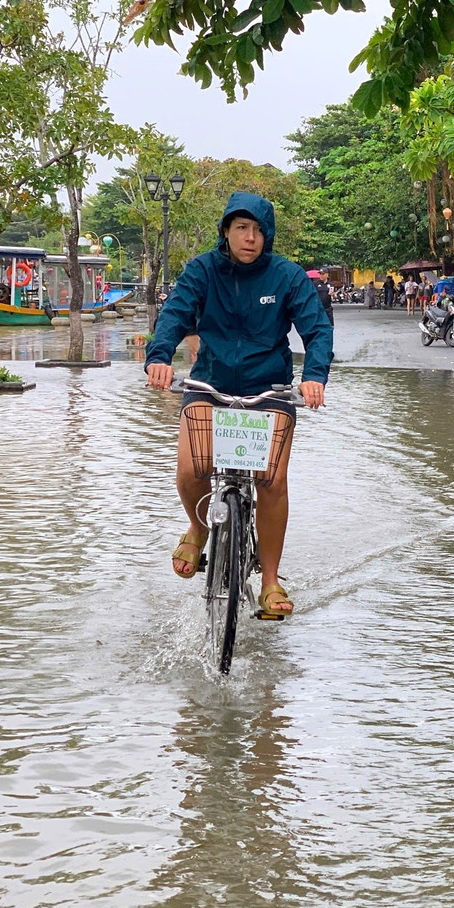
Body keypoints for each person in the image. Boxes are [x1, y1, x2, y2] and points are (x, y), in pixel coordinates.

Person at [144, 191, 333, 618]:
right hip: (209, 385)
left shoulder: (287, 277)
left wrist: (314, 376)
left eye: (258, 230)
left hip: (269, 390)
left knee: (272, 481)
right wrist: (158, 358)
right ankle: (197, 528)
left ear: (268, 236)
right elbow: (175, 314)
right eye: (242, 228)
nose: (250, 238)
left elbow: (317, 329)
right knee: (192, 468)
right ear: (226, 231)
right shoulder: (202, 270)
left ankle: (270, 580)